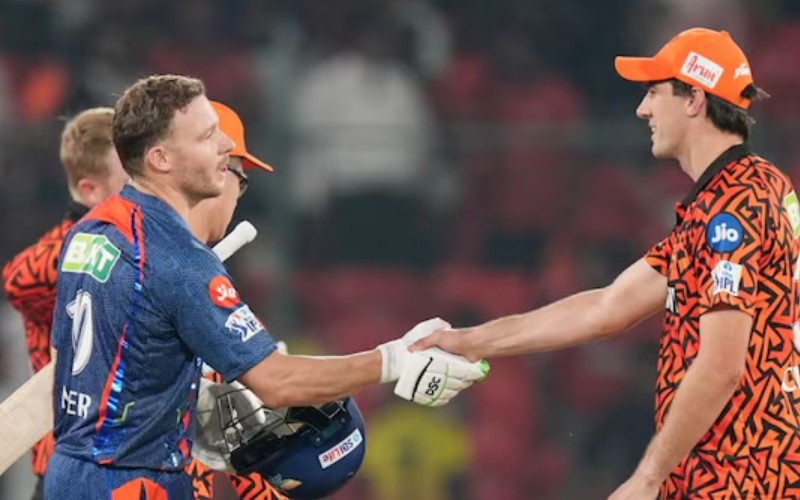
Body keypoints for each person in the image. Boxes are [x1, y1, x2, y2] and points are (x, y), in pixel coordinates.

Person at [44, 75, 487, 499]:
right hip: (132, 482)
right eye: (208, 137)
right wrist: (395, 360)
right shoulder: (180, 261)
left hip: (72, 473)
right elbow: (276, 382)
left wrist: (180, 402)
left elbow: (97, 357)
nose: (224, 148)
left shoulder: (89, 232)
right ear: (161, 159)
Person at [412, 28, 800, 499]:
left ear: (695, 99)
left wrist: (648, 476)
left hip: (740, 481)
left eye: (654, 92)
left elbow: (721, 366)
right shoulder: (751, 190)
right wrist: (473, 341)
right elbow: (607, 308)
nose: (642, 109)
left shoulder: (732, 209)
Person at [1, 107, 127, 500]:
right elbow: (16, 281)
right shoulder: (63, 252)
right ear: (90, 190)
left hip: (143, 472)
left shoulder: (161, 248)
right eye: (130, 179)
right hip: (70, 476)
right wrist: (111, 246)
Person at [185, 101, 281, 499]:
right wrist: (388, 361)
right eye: (241, 178)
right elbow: (278, 382)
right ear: (218, 169)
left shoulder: (128, 248)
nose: (239, 194)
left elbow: (235, 447)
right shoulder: (183, 277)